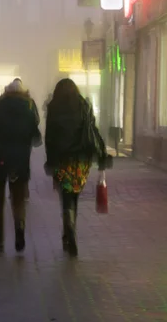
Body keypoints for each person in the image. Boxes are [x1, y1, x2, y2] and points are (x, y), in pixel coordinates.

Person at [44, 78, 110, 257]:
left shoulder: (54, 107)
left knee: (65, 194)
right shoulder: (83, 105)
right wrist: (99, 153)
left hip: (61, 158)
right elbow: (92, 130)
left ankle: (69, 228)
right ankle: (71, 229)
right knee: (74, 193)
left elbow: (49, 137)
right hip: (80, 159)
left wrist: (50, 160)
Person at [0, 79, 41, 253]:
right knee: (18, 199)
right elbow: (36, 138)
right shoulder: (28, 110)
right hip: (20, 161)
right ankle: (19, 228)